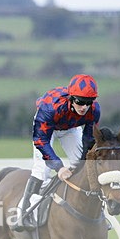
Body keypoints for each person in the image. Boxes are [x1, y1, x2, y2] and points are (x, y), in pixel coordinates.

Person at [13, 73, 100, 231]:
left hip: (70, 128)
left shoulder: (94, 110)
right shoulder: (50, 108)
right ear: (71, 98)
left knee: (84, 166)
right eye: (80, 102)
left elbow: (89, 140)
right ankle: (23, 213)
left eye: (89, 102)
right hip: (47, 130)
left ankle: (95, 211)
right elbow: (41, 141)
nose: (84, 107)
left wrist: (80, 163)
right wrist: (59, 168)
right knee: (42, 170)